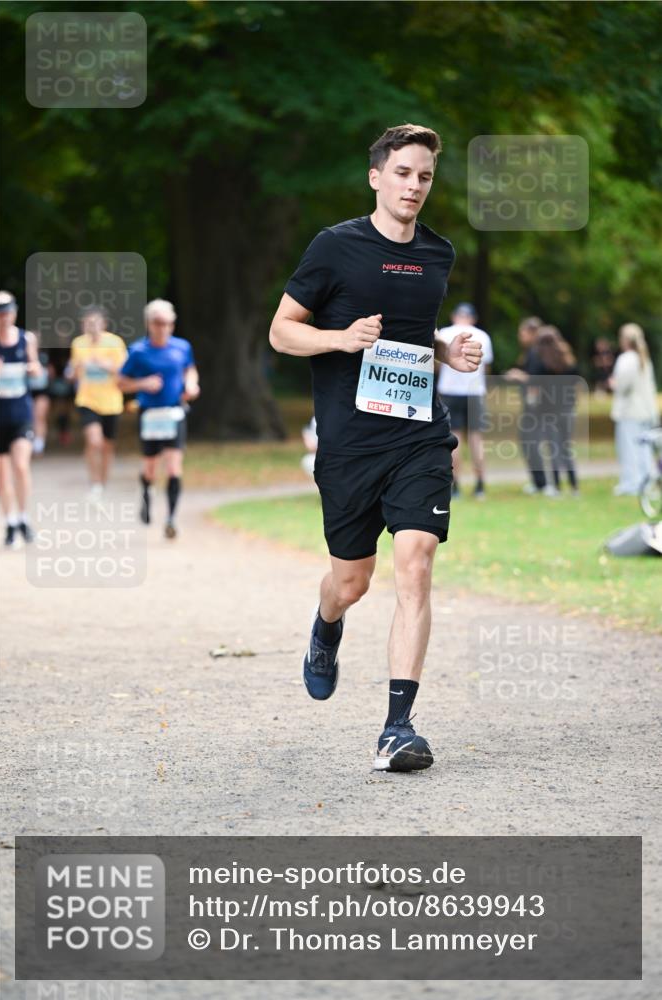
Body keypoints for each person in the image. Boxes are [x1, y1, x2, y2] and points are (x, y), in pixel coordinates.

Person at [269, 123, 482, 773]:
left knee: (415, 561)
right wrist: (338, 339)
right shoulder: (334, 247)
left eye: (423, 176)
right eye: (402, 173)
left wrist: (449, 348)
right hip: (348, 443)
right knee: (351, 582)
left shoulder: (437, 253)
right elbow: (281, 332)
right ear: (375, 176)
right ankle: (325, 625)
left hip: (418, 434)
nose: (413, 186)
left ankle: (398, 727)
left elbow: (415, 334)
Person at [118, 298, 200, 538]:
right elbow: (120, 382)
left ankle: (171, 518)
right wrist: (142, 383)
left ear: (172, 324)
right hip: (150, 415)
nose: (162, 327)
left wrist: (192, 384)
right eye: (157, 323)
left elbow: (190, 368)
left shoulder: (182, 347)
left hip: (174, 411)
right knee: (151, 468)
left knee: (174, 466)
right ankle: (146, 492)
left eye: (167, 323)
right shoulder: (137, 351)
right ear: (149, 324)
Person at [0, 291, 41, 546]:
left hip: (20, 412)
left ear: (14, 313)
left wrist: (34, 369)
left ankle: (24, 517)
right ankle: (10, 522)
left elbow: (36, 368)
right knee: (0, 473)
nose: (3, 318)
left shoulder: (26, 339)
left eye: (6, 313)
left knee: (21, 466)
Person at [69, 306, 128, 501]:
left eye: (94, 322)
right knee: (94, 441)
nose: (91, 326)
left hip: (111, 401)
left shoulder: (114, 343)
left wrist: (104, 364)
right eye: (87, 323)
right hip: (87, 399)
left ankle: (103, 482)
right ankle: (94, 483)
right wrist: (74, 371)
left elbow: (125, 370)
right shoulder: (78, 344)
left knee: (107, 445)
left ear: (103, 323)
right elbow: (75, 373)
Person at [435, 302, 493, 499]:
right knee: (477, 439)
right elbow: (485, 367)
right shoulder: (483, 336)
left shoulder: (444, 333)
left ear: (454, 316)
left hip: (450, 391)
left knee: (454, 439)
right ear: (473, 318)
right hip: (475, 392)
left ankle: (456, 485)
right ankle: (480, 485)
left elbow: (437, 365)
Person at [524, 325, 580, 495]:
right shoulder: (568, 360)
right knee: (565, 448)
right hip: (567, 410)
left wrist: (531, 405)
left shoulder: (541, 363)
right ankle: (573, 485)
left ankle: (555, 486)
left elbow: (534, 389)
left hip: (548, 411)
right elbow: (576, 385)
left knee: (553, 447)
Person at [609, 323, 659, 496]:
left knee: (629, 448)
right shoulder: (644, 358)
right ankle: (647, 481)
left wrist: (613, 384)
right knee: (644, 449)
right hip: (645, 411)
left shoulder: (627, 359)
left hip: (630, 412)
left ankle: (632, 483)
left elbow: (622, 385)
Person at [504, 316, 549, 494]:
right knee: (528, 441)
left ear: (531, 333)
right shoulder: (531, 352)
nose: (519, 336)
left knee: (532, 441)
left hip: (537, 406)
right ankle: (538, 482)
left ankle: (543, 483)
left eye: (522, 332)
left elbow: (538, 380)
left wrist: (518, 375)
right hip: (532, 405)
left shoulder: (538, 353)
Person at [28, 347, 51, 455]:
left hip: (42, 391)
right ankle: (29, 443)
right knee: (29, 418)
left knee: (40, 416)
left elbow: (52, 372)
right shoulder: (22, 354)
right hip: (27, 391)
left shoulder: (45, 356)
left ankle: (39, 445)